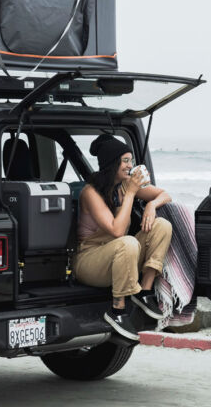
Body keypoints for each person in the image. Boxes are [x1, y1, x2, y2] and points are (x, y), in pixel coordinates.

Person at [73, 134, 173, 341]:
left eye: (131, 161)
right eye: (125, 161)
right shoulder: (90, 193)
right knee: (126, 241)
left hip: (121, 256)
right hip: (90, 260)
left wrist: (151, 206)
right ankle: (117, 310)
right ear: (112, 163)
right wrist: (131, 194)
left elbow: (165, 194)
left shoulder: (126, 185)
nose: (130, 166)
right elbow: (116, 230)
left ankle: (143, 292)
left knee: (162, 225)